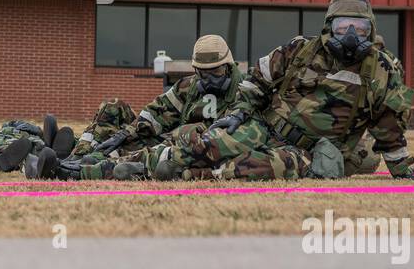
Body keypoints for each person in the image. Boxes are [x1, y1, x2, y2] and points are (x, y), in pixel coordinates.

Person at [209, 0, 414, 181]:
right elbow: (257, 80)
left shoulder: (382, 70)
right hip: (265, 128)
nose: (351, 35)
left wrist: (402, 170)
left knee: (239, 169)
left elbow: (390, 127)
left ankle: (203, 174)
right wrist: (239, 113)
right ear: (329, 27)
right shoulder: (300, 49)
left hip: (310, 154)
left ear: (370, 32)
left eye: (361, 29)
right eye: (342, 27)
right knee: (203, 149)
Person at [36, 35, 253, 180]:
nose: (209, 80)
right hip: (172, 140)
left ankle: (81, 168)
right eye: (203, 73)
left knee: (151, 152)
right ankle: (74, 157)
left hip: (197, 149)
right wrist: (126, 133)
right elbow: (156, 113)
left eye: (215, 72)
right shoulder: (188, 86)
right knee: (117, 116)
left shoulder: (247, 92)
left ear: (228, 66)